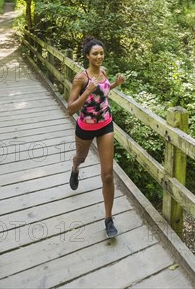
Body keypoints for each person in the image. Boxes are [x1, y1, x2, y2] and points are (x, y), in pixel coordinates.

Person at [67, 36, 125, 238]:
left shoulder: (104, 72)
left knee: (108, 174)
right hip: (85, 127)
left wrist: (115, 84)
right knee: (80, 157)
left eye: (101, 53)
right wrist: (87, 91)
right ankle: (75, 168)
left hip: (105, 124)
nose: (99, 56)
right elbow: (70, 109)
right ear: (87, 56)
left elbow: (102, 95)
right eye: (95, 54)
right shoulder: (80, 78)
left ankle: (108, 219)